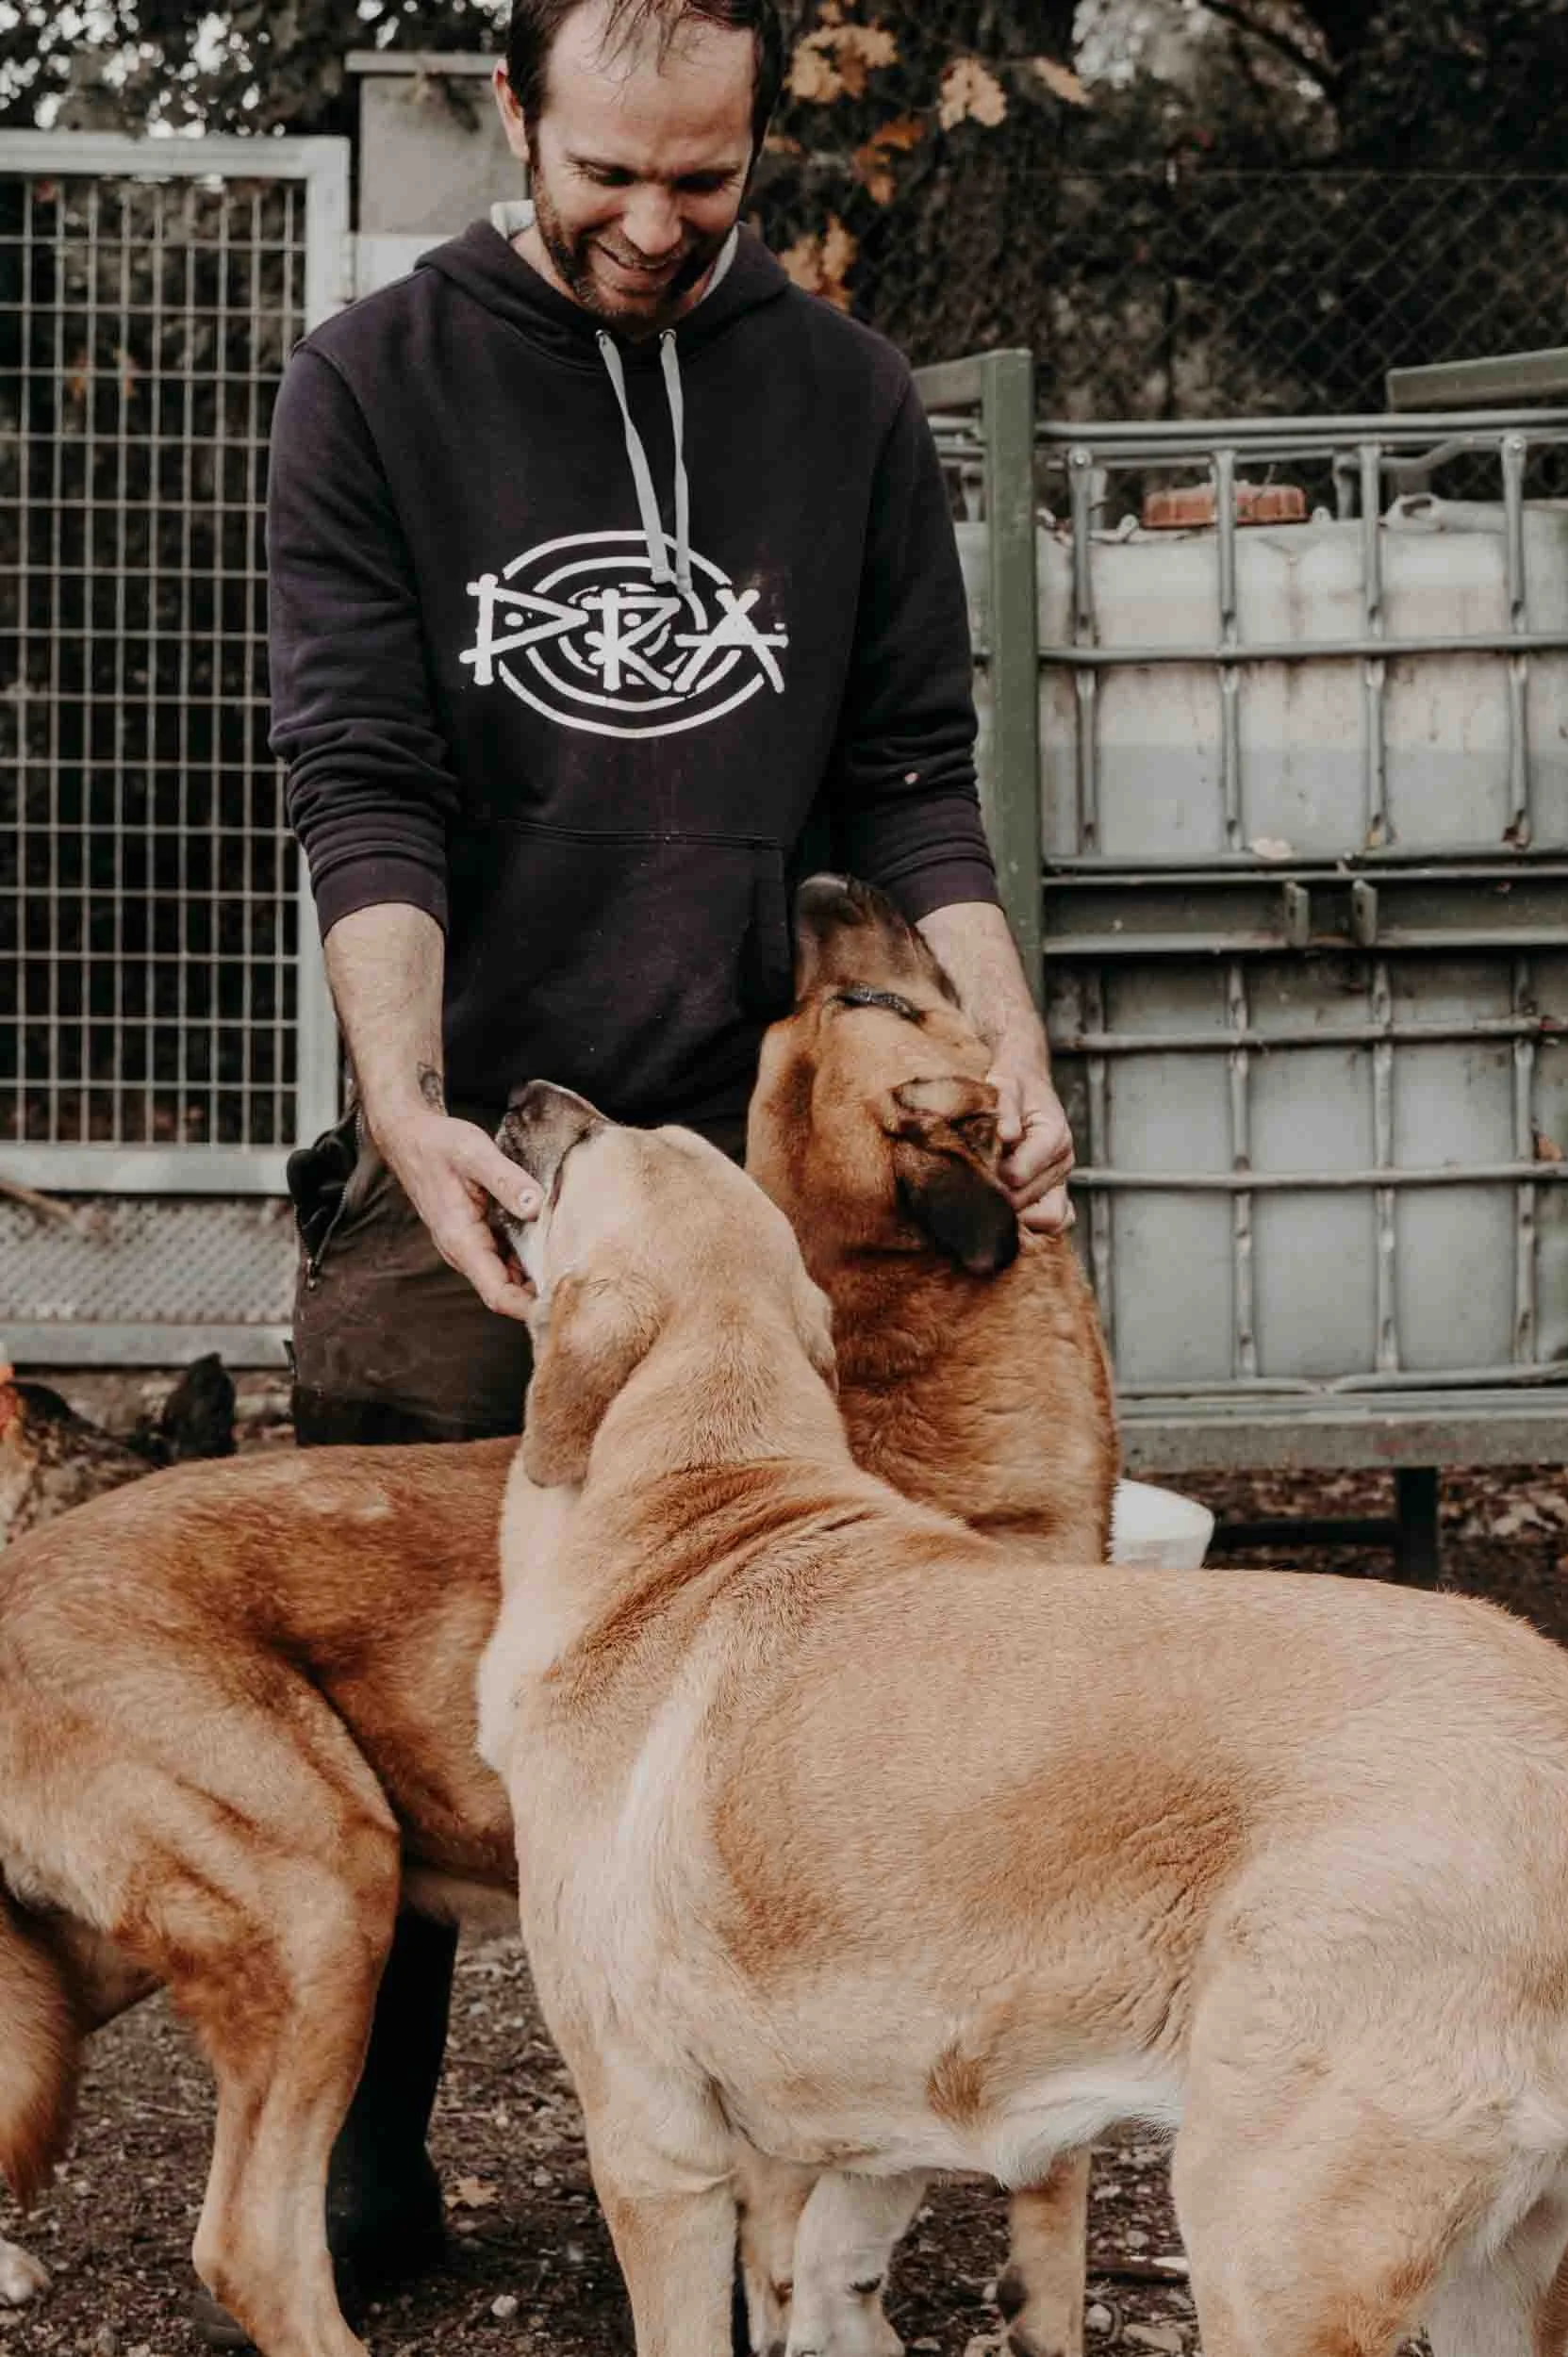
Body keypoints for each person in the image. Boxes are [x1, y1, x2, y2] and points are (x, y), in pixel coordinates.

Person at [261, 0, 1075, 2321]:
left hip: (756, 1187)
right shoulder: (373, 385)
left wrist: (996, 1017)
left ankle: (791, 2148)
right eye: (605, 171)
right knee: (447, 1662)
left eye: (700, 183)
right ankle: (366, 2152)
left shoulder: (833, 398)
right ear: (514, 118)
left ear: (758, 147)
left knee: (799, 1670)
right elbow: (361, 773)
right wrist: (411, 1101)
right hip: (487, 1149)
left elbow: (914, 764)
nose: (647, 224)